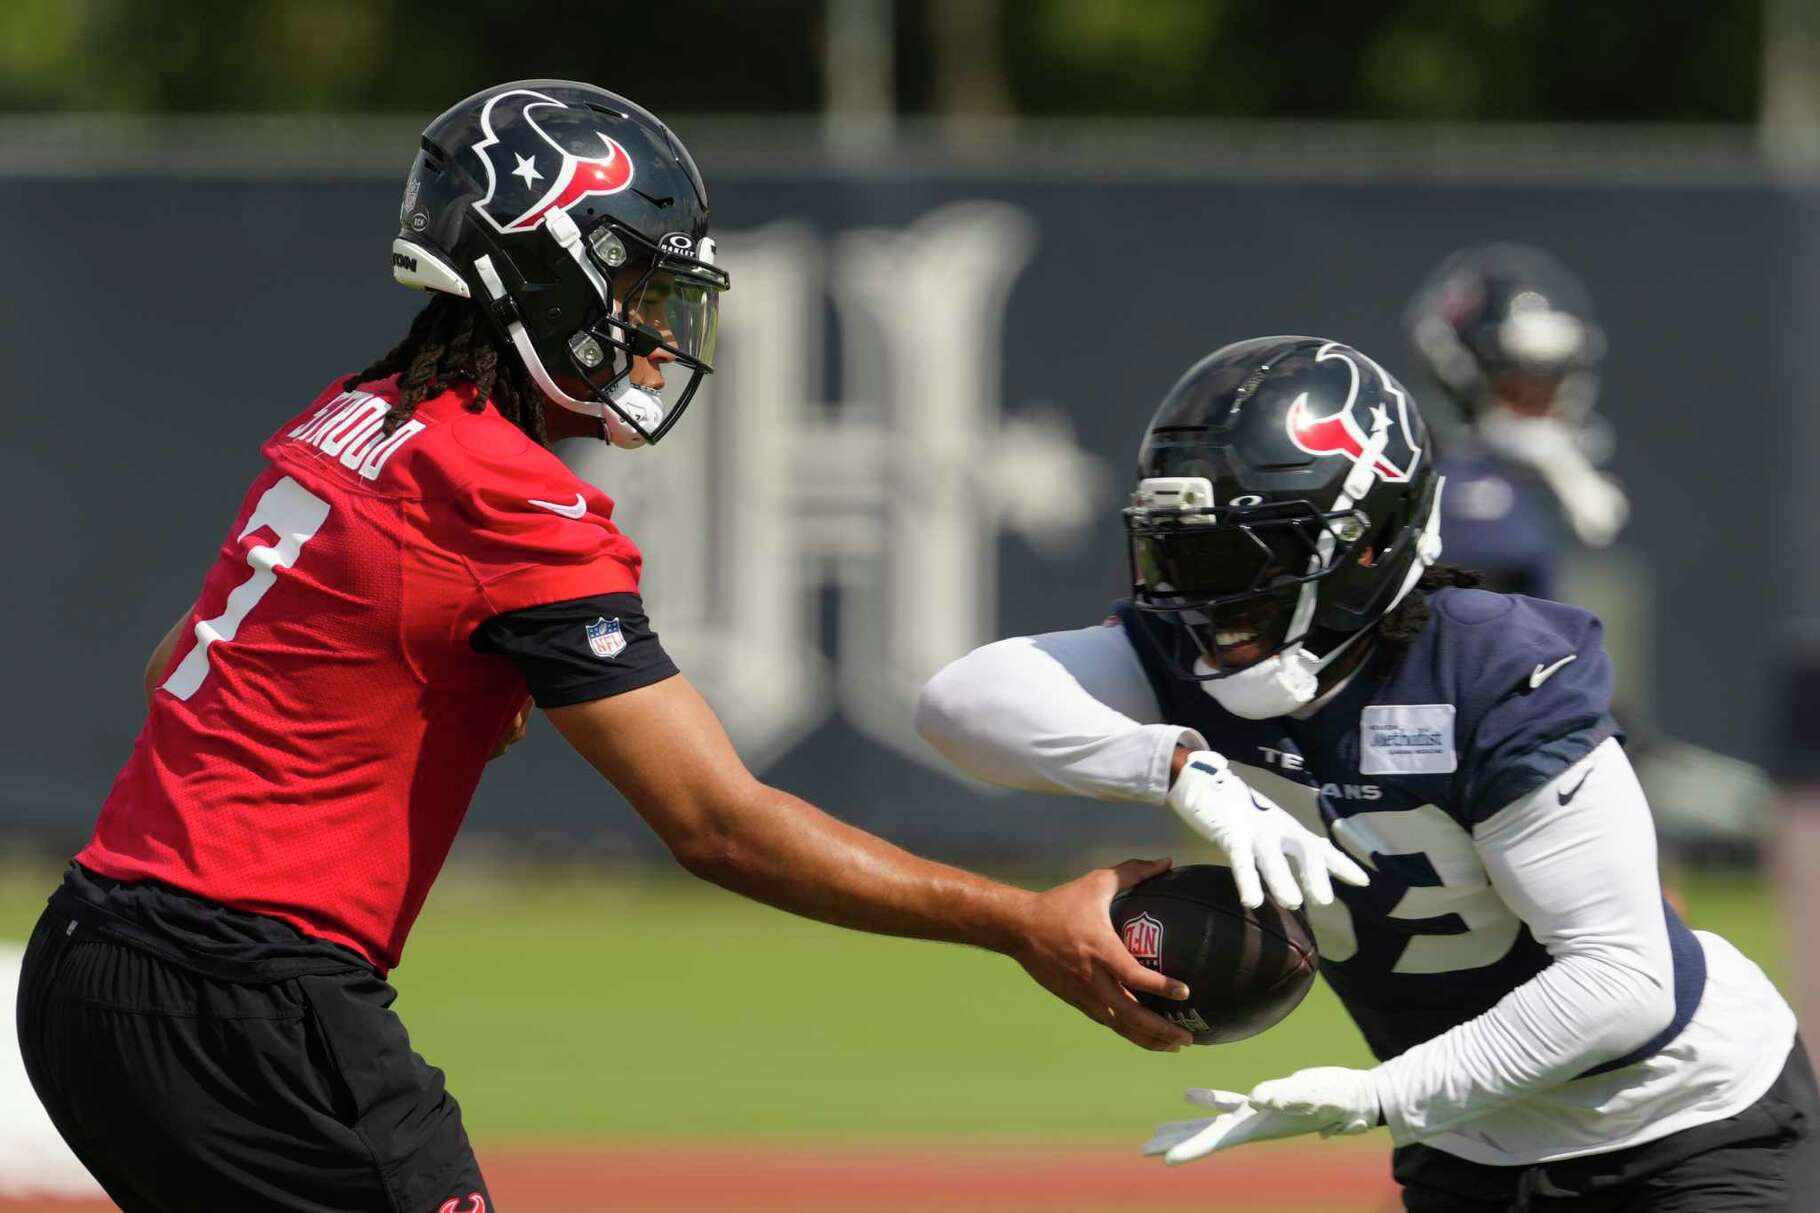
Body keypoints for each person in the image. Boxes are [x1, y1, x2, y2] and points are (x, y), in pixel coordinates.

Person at [12, 80, 1332, 1213]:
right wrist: (1020, 923)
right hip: (244, 998)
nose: (653, 324)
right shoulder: (506, 495)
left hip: (88, 964)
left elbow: (177, 667)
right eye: (632, 282)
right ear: (537, 265)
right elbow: (716, 824)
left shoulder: (357, 416)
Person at [915, 336, 1815, 1211]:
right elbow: (960, 702)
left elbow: (1624, 979)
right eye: (1184, 552)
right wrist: (1181, 769)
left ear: (1371, 542)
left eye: (1248, 556)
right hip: (1468, 1143)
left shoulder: (1490, 671)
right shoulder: (1189, 654)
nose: (1209, 598)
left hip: (1690, 1119)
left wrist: (1384, 1093)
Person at [1406, 243, 1627, 600]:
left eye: (1551, 383)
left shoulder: (1561, 476)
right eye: (1517, 385)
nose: (1540, 405)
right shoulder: (1434, 473)